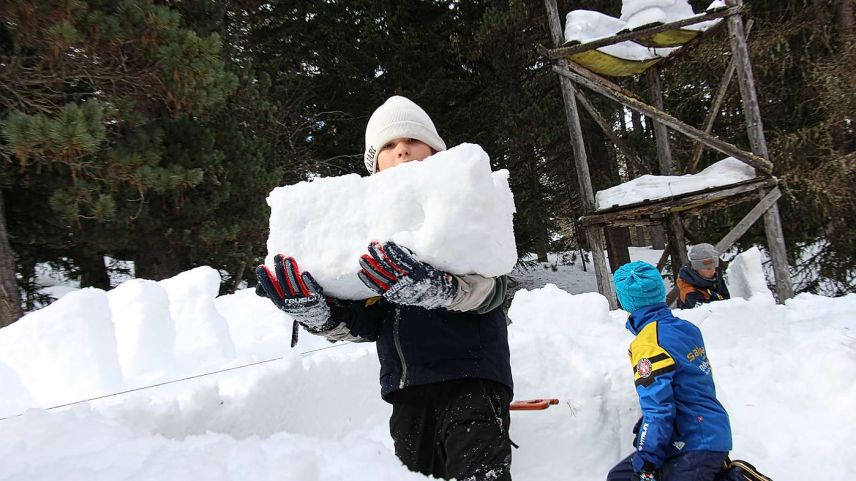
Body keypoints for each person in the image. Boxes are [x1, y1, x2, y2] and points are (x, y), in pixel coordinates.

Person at [255, 96, 514, 481]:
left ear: (436, 150)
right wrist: (321, 316)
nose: (402, 149)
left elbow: (495, 290)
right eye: (389, 146)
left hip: (471, 376)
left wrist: (439, 289)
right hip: (406, 389)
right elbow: (367, 321)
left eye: (413, 139)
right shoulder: (366, 233)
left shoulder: (466, 208)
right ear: (374, 164)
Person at [607, 261, 732, 481]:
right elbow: (688, 384)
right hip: (709, 432)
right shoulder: (686, 329)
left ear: (625, 300)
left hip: (693, 443)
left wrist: (648, 455)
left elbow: (658, 407)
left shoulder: (649, 343)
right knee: (620, 476)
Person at [676, 243, 730, 309]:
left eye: (714, 267)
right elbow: (708, 311)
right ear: (695, 268)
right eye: (708, 268)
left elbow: (726, 297)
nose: (713, 271)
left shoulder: (714, 275)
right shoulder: (689, 291)